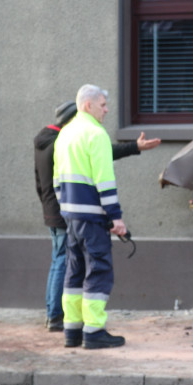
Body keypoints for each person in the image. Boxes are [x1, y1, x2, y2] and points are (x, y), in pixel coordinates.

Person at [34, 99, 160, 331]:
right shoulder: (65, 140)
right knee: (66, 262)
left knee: (59, 260)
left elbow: (40, 184)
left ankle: (55, 313)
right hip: (69, 211)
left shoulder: (45, 142)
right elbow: (101, 152)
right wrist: (134, 147)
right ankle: (56, 316)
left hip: (55, 210)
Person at [53, 85, 135, 349]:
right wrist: (116, 217)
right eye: (102, 105)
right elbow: (104, 180)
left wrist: (66, 208)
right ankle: (94, 331)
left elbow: (57, 180)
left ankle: (72, 331)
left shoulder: (64, 134)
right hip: (92, 218)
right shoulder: (95, 134)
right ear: (87, 105)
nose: (107, 110)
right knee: (98, 271)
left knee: (74, 273)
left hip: (71, 217)